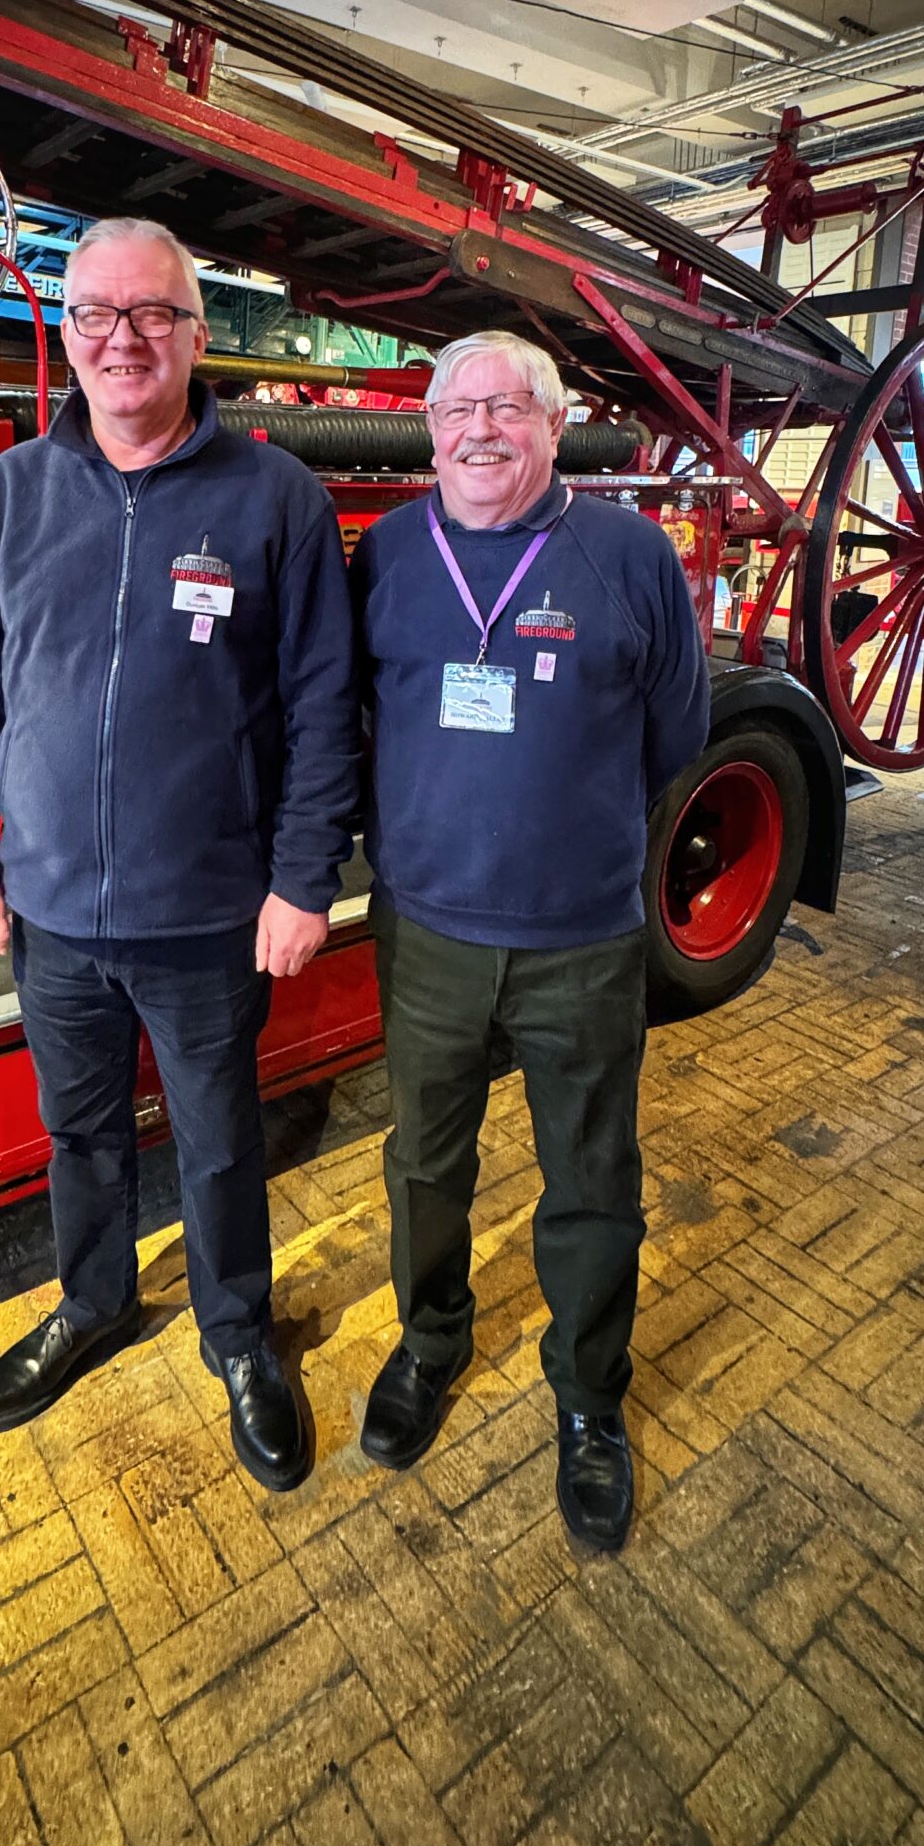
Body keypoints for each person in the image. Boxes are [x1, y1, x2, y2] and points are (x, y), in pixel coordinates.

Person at [0, 217, 357, 1491]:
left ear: (196, 332)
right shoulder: (10, 493)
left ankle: (238, 1335)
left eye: (152, 313)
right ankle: (95, 1301)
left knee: (220, 1139)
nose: (123, 338)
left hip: (208, 911)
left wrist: (299, 879)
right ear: (67, 334)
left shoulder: (276, 498)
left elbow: (325, 707)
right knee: (82, 1136)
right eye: (97, 315)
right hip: (51, 912)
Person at [351, 329, 710, 1550]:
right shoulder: (390, 554)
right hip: (428, 929)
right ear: (430, 428)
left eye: (510, 407)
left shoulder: (628, 554)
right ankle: (429, 1343)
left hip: (580, 938)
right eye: (457, 409)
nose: (481, 430)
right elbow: (353, 719)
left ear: (556, 424)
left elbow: (676, 735)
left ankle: (589, 1400)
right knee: (424, 1163)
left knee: (593, 1178)